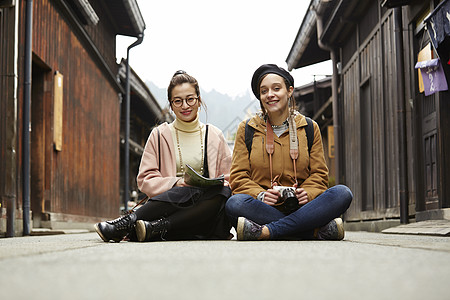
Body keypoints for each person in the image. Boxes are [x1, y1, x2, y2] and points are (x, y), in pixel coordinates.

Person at [95, 70, 232, 242]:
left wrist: (210, 184)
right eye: (178, 101)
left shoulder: (214, 135)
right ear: (171, 105)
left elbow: (228, 179)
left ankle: (133, 223)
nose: (185, 105)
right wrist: (177, 182)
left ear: (199, 100)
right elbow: (145, 179)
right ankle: (147, 227)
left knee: (222, 191)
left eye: (190, 99)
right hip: (168, 210)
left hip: (206, 217)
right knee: (185, 190)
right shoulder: (159, 135)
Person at [225, 64, 353, 241]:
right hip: (263, 208)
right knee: (234, 204)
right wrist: (260, 195)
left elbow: (319, 175)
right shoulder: (248, 129)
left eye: (276, 88)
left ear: (289, 91)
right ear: (260, 96)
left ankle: (266, 231)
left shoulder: (308, 127)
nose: (270, 94)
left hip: (302, 207)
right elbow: (239, 177)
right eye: (264, 91)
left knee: (342, 193)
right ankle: (314, 231)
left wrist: (306, 192)